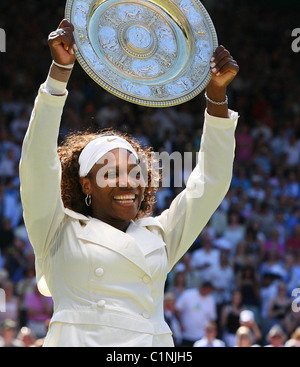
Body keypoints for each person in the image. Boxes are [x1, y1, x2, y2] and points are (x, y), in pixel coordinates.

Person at [19, 19, 239, 347]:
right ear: (86, 185)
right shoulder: (57, 230)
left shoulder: (158, 236)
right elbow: (37, 163)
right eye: (111, 173)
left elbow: (211, 181)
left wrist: (216, 97)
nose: (128, 182)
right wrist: (58, 74)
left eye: (135, 173)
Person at [175, 281, 217, 346]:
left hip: (201, 336)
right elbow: (177, 310)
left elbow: (212, 318)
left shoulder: (211, 300)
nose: (208, 293)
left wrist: (209, 332)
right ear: (202, 288)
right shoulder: (187, 294)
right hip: (186, 334)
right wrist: (180, 324)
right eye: (207, 290)